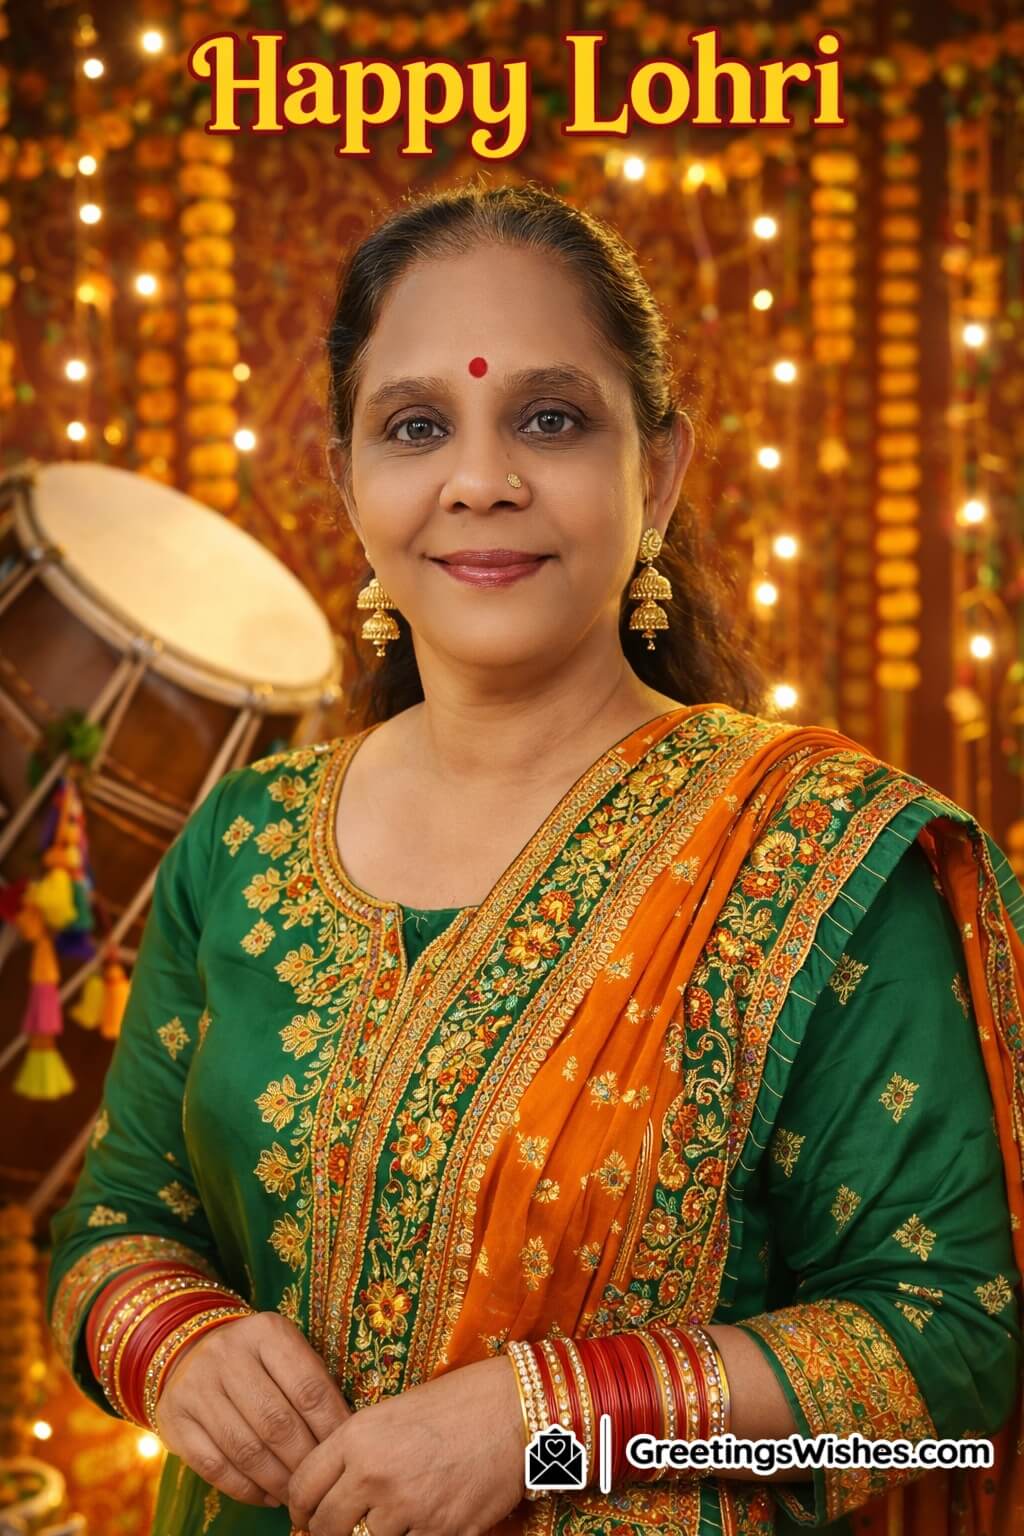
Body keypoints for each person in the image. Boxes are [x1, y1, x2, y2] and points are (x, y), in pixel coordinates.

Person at [45, 182, 1024, 1536]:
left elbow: (948, 1360)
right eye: (416, 427)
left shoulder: (817, 855)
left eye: (551, 419)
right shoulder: (244, 838)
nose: (481, 479)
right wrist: (176, 1342)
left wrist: (549, 1428)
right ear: (348, 483)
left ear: (658, 473)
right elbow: (113, 1224)